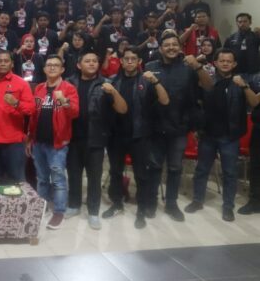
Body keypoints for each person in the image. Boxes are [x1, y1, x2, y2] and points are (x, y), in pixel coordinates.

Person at [143, 32, 213, 222]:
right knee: (154, 166)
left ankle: (171, 204)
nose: (171, 47)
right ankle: (151, 202)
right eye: (167, 45)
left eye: (175, 44)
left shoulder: (189, 68)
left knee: (175, 168)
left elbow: (209, 87)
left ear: (180, 47)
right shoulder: (150, 67)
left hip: (179, 127)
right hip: (155, 128)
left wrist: (197, 66)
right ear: (160, 49)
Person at [186, 49, 259, 221]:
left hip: (230, 137)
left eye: (229, 61)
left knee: (230, 173)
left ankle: (228, 207)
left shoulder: (243, 80)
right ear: (216, 63)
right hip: (207, 135)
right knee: (201, 170)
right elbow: (199, 105)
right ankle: (197, 200)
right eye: (222, 60)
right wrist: (197, 128)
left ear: (234, 64)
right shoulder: (208, 80)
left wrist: (244, 85)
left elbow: (254, 103)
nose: (225, 63)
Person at [105, 47, 170, 229]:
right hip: (116, 136)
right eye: (126, 58)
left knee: (141, 175)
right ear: (121, 61)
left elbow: (165, 101)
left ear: (139, 61)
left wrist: (156, 82)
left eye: (133, 58)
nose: (130, 61)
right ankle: (117, 203)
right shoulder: (113, 81)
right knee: (115, 172)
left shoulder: (147, 80)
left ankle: (141, 209)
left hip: (140, 135)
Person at [65, 51, 128, 230]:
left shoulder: (106, 84)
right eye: (88, 61)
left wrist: (114, 92)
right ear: (79, 65)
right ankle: (74, 205)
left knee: (94, 178)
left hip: (96, 139)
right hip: (72, 138)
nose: (92, 63)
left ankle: (93, 211)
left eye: (95, 61)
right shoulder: (68, 83)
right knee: (74, 175)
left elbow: (123, 109)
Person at [28, 55, 79, 230]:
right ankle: (42, 205)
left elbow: (75, 112)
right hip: (38, 142)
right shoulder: (39, 88)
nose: (51, 68)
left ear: (62, 69)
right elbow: (33, 115)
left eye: (56, 65)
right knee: (42, 178)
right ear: (44, 69)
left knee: (58, 180)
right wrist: (30, 137)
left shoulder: (69, 88)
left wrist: (64, 101)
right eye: (49, 65)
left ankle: (59, 211)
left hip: (57, 143)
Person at [0, 49, 35, 184]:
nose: (2, 64)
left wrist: (16, 103)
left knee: (16, 182)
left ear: (12, 64)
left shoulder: (21, 83)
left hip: (13, 142)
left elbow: (31, 109)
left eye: (6, 61)